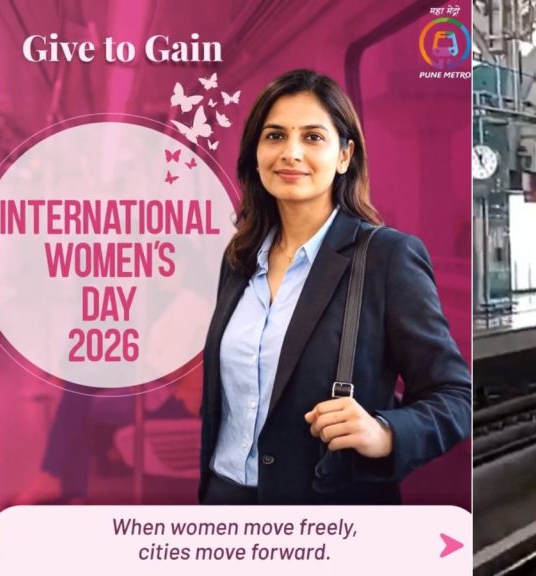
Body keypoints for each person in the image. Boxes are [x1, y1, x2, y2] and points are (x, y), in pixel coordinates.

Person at [199, 69, 471, 505]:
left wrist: (386, 433)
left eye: (312, 137)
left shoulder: (386, 258)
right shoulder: (239, 261)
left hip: (331, 516)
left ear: (345, 156)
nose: (291, 153)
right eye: (274, 136)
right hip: (226, 506)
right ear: (254, 153)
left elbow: (456, 396)